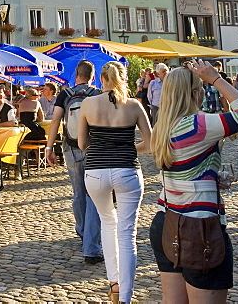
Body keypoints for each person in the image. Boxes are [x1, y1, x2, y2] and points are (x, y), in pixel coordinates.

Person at [150, 60, 238, 302]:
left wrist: (208, 176)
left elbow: (181, 167)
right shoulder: (198, 124)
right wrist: (217, 79)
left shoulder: (162, 127)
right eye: (201, 87)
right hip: (199, 226)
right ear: (195, 93)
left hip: (166, 218)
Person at [77, 62, 151, 304]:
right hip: (127, 170)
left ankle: (114, 284)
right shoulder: (134, 106)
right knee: (127, 233)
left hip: (96, 171)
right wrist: (128, 147)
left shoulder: (88, 103)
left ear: (101, 78)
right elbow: (149, 144)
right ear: (123, 78)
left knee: (108, 222)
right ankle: (126, 297)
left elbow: (82, 144)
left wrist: (104, 146)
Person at [46, 59, 102, 264]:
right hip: (93, 148)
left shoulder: (65, 94)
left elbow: (55, 120)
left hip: (71, 148)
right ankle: (91, 235)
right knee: (93, 194)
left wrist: (49, 148)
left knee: (78, 192)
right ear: (92, 76)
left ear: (76, 75)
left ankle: (82, 230)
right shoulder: (97, 95)